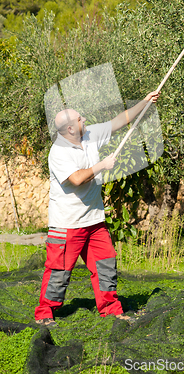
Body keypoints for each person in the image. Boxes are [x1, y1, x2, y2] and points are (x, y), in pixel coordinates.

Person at [35, 91, 160, 327]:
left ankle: (111, 310)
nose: (85, 121)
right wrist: (102, 165)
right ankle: (45, 313)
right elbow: (77, 179)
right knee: (59, 271)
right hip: (67, 224)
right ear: (70, 129)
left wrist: (144, 102)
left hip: (94, 220)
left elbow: (119, 121)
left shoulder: (89, 135)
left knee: (105, 264)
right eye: (80, 119)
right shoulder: (59, 152)